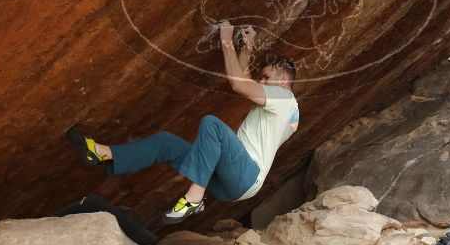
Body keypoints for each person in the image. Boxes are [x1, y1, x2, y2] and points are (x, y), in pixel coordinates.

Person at [66, 21, 299, 224]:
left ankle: (194, 198)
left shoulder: (285, 98)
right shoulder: (287, 112)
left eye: (267, 77)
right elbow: (245, 81)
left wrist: (226, 41)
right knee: (165, 143)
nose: (262, 81)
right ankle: (100, 153)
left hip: (246, 175)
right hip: (232, 182)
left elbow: (239, 85)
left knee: (213, 125)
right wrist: (246, 47)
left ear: (284, 80)